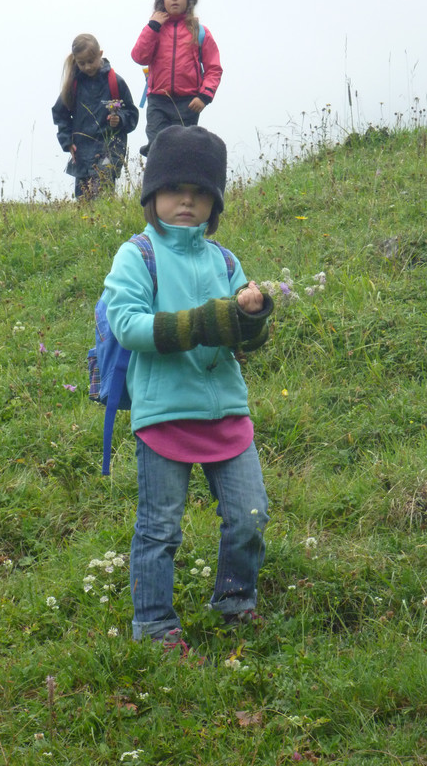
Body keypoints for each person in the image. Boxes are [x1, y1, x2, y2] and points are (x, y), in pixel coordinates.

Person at [102, 125, 272, 650]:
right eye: (175, 189)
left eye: (200, 193)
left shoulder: (225, 260)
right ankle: (154, 626)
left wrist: (254, 314)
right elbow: (126, 324)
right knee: (160, 529)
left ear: (214, 204)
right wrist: (201, 323)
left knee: (250, 515)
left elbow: (247, 338)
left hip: (226, 410)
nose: (186, 201)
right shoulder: (137, 255)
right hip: (164, 413)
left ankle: (235, 601)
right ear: (152, 194)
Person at [131, 0, 222, 156]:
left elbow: (213, 68)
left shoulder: (199, 32)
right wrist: (152, 27)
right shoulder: (155, 29)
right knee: (157, 145)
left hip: (188, 103)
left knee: (183, 150)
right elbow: (139, 57)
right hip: (158, 100)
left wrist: (204, 96)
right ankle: (155, 165)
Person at [52, 34, 139, 199]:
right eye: (82, 63)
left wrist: (120, 119)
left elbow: (132, 114)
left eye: (91, 61)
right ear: (75, 61)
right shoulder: (73, 85)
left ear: (100, 54)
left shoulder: (115, 82)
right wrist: (67, 141)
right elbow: (60, 114)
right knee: (83, 200)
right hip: (82, 153)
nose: (87, 67)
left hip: (110, 149)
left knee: (102, 195)